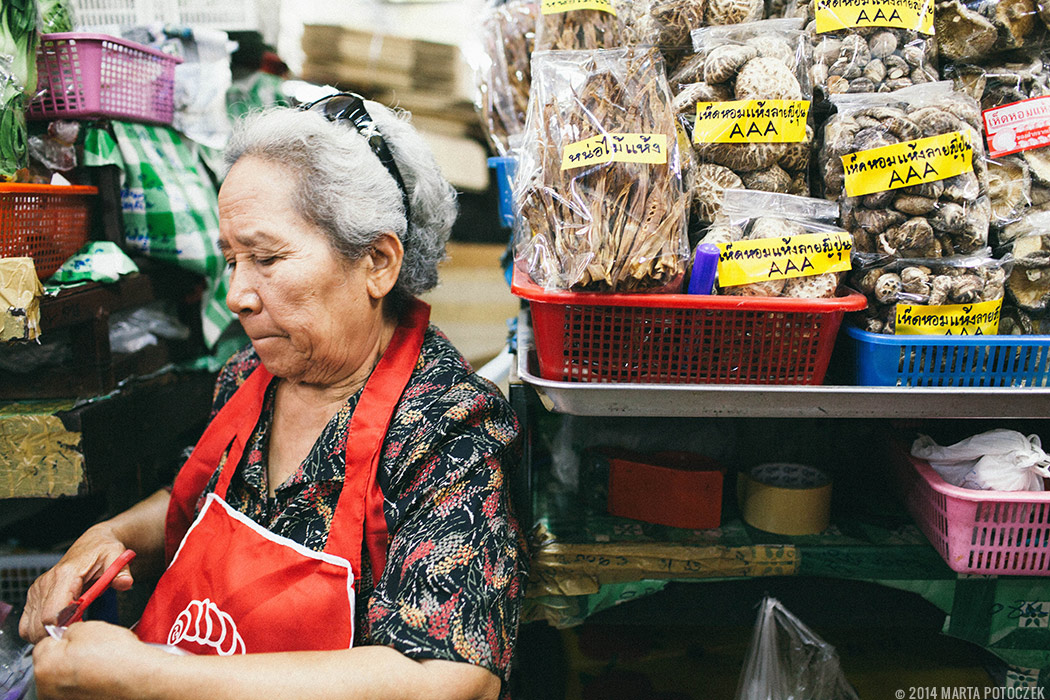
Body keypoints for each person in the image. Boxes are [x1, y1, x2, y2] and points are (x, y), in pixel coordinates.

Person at [20, 93, 529, 700]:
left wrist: (148, 676)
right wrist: (109, 538)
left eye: (265, 257)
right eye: (232, 260)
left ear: (377, 261)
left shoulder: (447, 425)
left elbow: (446, 680)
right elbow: (201, 497)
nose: (237, 295)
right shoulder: (248, 379)